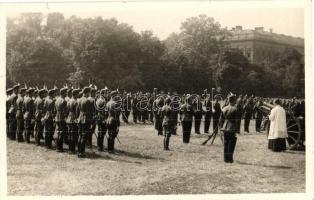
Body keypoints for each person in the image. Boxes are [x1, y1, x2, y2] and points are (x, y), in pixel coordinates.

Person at [219, 94, 238, 163]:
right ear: (234, 100)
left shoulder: (224, 108)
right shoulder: (235, 109)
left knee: (226, 143)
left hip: (224, 127)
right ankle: (230, 159)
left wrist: (221, 127)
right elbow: (236, 120)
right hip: (232, 127)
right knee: (231, 143)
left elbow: (221, 120)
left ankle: (225, 159)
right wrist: (237, 129)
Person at [77, 87, 91, 157]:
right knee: (84, 136)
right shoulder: (87, 101)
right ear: (87, 92)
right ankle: (82, 152)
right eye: (89, 92)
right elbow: (88, 113)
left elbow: (77, 111)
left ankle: (79, 151)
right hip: (85, 119)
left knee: (80, 136)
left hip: (80, 118)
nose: (89, 94)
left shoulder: (79, 100)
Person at [66, 89, 79, 154]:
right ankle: (72, 149)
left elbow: (67, 110)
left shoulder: (69, 101)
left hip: (69, 118)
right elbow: (77, 113)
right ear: (76, 94)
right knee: (74, 135)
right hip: (74, 119)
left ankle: (70, 149)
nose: (78, 95)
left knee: (69, 134)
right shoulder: (76, 102)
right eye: (78, 93)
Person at [54, 88, 68, 152]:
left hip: (57, 117)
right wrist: (66, 117)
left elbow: (55, 109)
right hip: (62, 117)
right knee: (61, 133)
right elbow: (65, 111)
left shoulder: (57, 100)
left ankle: (57, 147)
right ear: (63, 93)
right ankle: (59, 147)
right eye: (66, 92)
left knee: (58, 132)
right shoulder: (63, 101)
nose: (66, 93)